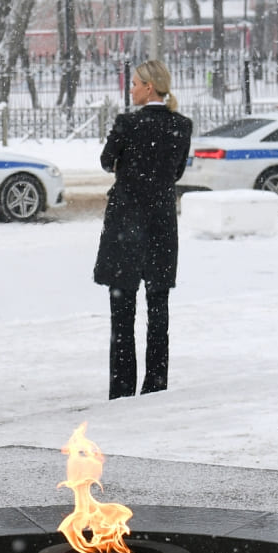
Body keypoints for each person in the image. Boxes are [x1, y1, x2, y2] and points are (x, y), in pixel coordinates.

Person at [94, 60, 193, 399]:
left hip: (126, 226)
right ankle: (156, 386)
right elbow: (176, 173)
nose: (131, 89)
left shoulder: (127, 124)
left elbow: (107, 162)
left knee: (122, 313)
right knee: (158, 310)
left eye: (135, 83)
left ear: (150, 87)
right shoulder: (181, 125)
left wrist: (126, 166)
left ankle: (121, 390)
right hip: (162, 226)